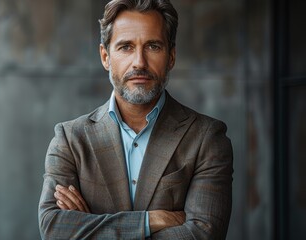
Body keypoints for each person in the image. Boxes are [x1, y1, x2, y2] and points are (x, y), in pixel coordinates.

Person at [38, 0, 233, 239]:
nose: (139, 62)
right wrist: (150, 220)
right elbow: (54, 228)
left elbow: (203, 235)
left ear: (171, 56)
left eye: (153, 46)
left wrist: (91, 228)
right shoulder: (70, 139)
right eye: (126, 47)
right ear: (105, 56)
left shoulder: (207, 138)